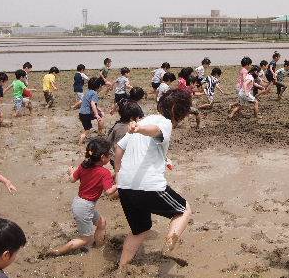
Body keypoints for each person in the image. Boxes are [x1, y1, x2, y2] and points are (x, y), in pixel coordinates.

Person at [114, 89, 193, 267]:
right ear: (175, 110)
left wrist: (117, 174)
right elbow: (155, 131)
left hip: (125, 187)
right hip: (149, 186)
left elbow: (119, 148)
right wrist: (140, 129)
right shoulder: (163, 122)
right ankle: (168, 248)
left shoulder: (143, 119)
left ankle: (122, 268)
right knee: (183, 210)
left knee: (139, 231)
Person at [47, 138, 117, 257]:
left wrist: (71, 171)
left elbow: (72, 179)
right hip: (85, 207)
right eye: (109, 154)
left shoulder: (84, 165)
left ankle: (98, 248)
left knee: (102, 223)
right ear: (102, 158)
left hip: (79, 203)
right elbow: (109, 191)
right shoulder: (104, 173)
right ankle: (57, 251)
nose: (110, 156)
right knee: (86, 239)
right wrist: (120, 184)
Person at [107, 100, 145, 166]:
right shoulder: (129, 130)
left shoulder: (117, 125)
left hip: (114, 157)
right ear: (131, 118)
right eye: (138, 117)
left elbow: (108, 141)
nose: (139, 119)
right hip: (122, 160)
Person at [79, 78, 105, 144]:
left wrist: (98, 109)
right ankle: (100, 132)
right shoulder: (94, 93)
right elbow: (92, 103)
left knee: (87, 128)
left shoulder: (87, 92)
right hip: (87, 114)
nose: (101, 87)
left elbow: (85, 102)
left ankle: (100, 132)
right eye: (101, 86)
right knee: (100, 116)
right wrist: (96, 114)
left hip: (81, 113)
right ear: (98, 87)